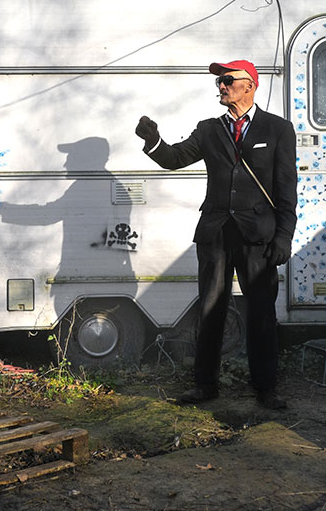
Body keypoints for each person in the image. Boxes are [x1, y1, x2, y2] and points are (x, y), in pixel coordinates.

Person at [136, 60, 297, 410]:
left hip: (258, 237)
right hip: (215, 234)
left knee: (261, 313)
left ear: (249, 85)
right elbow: (174, 158)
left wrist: (284, 237)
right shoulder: (210, 129)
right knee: (210, 309)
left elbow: (286, 188)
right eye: (220, 82)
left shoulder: (278, 129)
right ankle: (205, 385)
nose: (221, 86)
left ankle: (265, 387)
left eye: (227, 80)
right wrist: (154, 141)